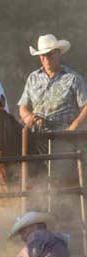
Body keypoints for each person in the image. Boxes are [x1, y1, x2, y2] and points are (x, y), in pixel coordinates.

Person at [18, 34, 87, 182]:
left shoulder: (73, 78)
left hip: (62, 135)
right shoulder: (33, 78)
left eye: (49, 54)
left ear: (58, 54)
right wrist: (30, 118)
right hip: (35, 134)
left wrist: (72, 128)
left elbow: (86, 106)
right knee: (17, 159)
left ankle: (60, 196)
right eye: (42, 55)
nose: (45, 58)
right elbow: (23, 107)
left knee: (59, 172)